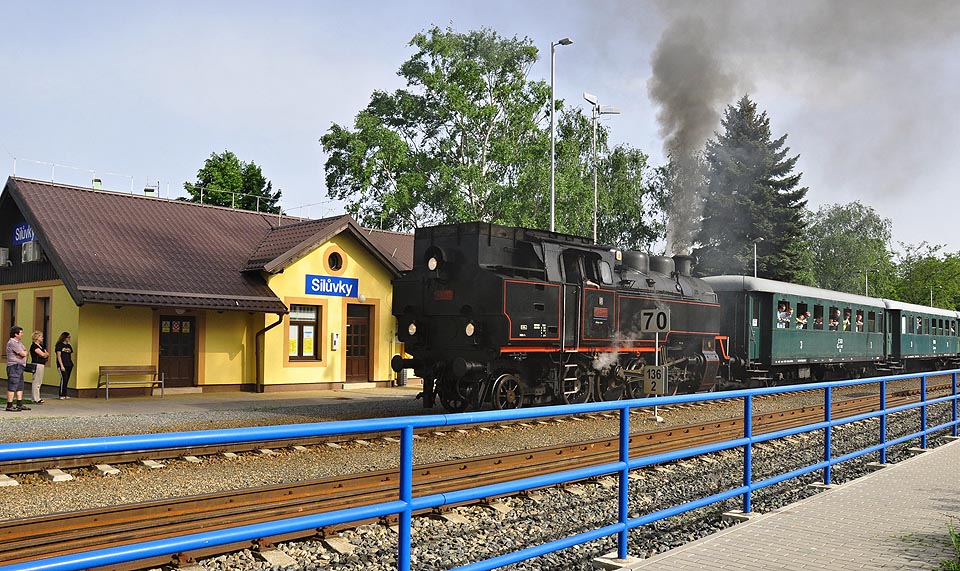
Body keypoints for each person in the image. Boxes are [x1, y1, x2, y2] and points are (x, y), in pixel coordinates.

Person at [5, 326, 31, 412]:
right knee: (13, 385)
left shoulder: (19, 343)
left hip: (20, 366)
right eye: (21, 333)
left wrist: (23, 353)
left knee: (20, 385)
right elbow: (23, 353)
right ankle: (9, 405)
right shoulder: (12, 343)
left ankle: (19, 404)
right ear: (16, 334)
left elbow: (26, 351)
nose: (22, 334)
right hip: (14, 366)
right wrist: (22, 353)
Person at [29, 331, 49, 404]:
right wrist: (44, 354)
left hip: (41, 364)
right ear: (37, 337)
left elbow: (47, 354)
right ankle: (35, 398)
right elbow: (43, 354)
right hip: (37, 364)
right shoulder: (34, 346)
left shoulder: (41, 346)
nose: (42, 338)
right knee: (36, 381)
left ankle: (37, 397)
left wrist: (45, 354)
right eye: (41, 336)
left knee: (39, 381)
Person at [55, 331, 74, 400]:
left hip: (69, 364)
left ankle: (65, 394)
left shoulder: (69, 346)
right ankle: (61, 394)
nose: (69, 338)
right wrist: (61, 365)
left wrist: (71, 363)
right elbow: (59, 356)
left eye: (69, 337)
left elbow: (70, 355)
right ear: (64, 337)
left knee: (67, 379)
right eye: (68, 337)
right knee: (64, 378)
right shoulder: (59, 345)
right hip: (62, 365)